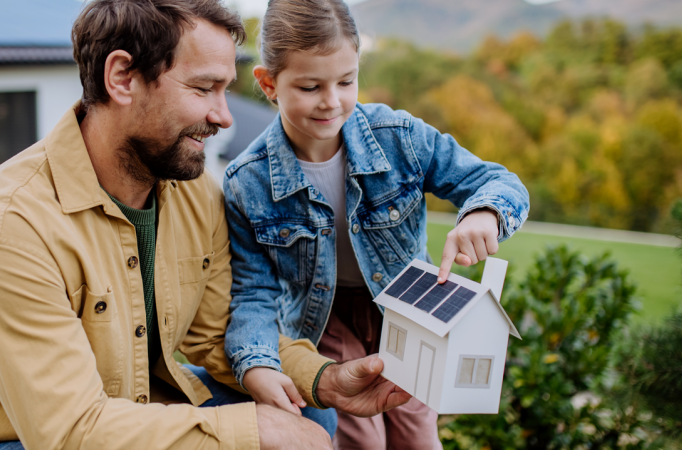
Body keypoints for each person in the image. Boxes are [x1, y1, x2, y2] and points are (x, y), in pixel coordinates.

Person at [0, 1, 412, 449]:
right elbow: (68, 433)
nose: (223, 116)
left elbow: (220, 333)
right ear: (122, 77)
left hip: (126, 406)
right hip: (10, 438)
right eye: (203, 89)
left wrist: (324, 378)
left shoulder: (192, 190)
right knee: (265, 431)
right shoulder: (11, 225)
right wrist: (252, 432)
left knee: (305, 407)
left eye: (225, 90)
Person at [222, 0, 530, 448]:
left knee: (417, 438)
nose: (332, 101)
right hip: (321, 323)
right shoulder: (247, 182)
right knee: (360, 440)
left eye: (346, 81)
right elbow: (252, 290)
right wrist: (257, 362)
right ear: (269, 83)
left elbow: (496, 181)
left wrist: (485, 212)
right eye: (310, 86)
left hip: (408, 312)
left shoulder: (398, 137)